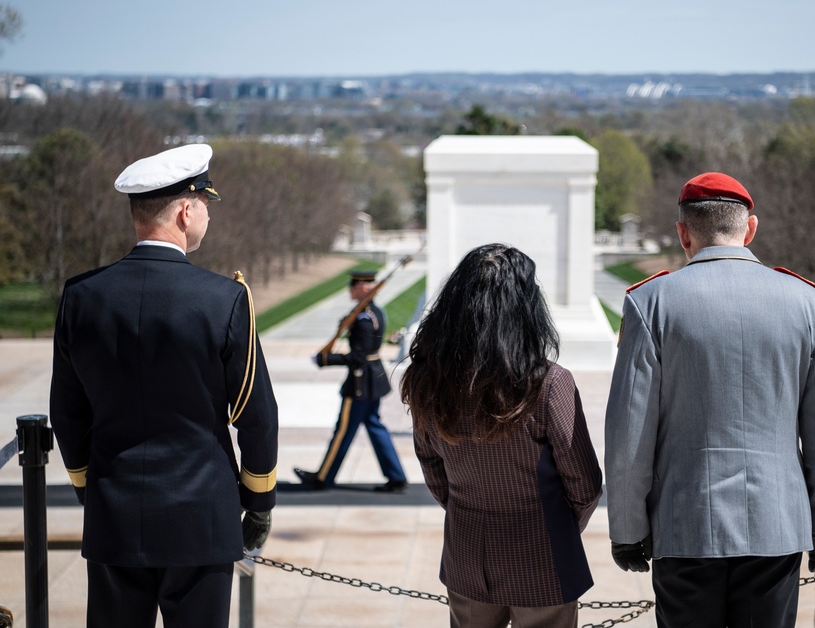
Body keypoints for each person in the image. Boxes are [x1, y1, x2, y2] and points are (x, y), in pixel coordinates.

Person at [604, 171, 815, 628]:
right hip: (777, 527)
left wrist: (628, 530)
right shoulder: (806, 301)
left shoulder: (651, 301)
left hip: (685, 525)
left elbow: (628, 435)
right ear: (750, 228)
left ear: (683, 233)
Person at [48, 144, 280, 628]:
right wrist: (258, 505)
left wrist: (94, 492)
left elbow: (68, 416)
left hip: (114, 514)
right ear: (184, 210)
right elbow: (256, 417)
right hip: (203, 519)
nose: (208, 217)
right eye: (206, 205)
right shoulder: (225, 300)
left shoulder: (81, 296)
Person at [400, 244, 603, 628]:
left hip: (467, 550)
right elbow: (585, 484)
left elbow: (433, 469)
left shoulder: (429, 378)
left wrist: (471, 507)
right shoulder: (549, 383)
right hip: (542, 553)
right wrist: (553, 525)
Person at [294, 270, 408, 492]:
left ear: (363, 288)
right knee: (374, 426)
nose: (350, 290)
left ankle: (323, 477)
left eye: (353, 286)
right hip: (371, 379)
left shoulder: (364, 318)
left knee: (344, 430)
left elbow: (358, 356)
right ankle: (396, 476)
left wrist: (325, 359)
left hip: (360, 382)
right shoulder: (373, 312)